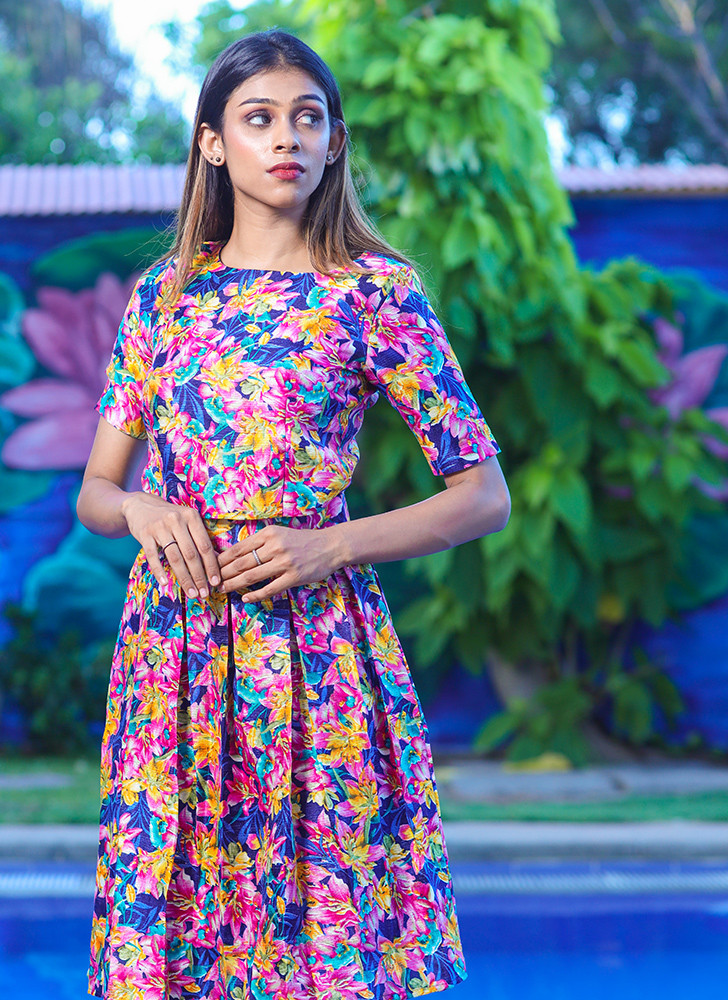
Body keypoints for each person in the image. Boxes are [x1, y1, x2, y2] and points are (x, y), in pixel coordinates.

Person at [77, 27, 510, 1000]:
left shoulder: (374, 295)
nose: (288, 138)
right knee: (180, 943)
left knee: (325, 942)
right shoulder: (165, 297)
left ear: (334, 140)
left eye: (308, 118)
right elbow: (97, 491)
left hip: (316, 655)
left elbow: (483, 495)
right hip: (176, 656)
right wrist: (142, 511)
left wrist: (332, 546)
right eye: (260, 117)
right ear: (212, 144)